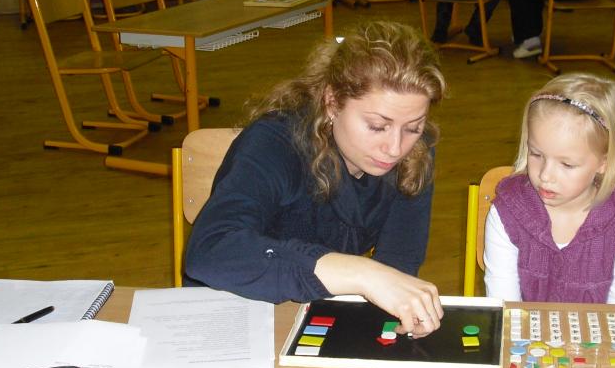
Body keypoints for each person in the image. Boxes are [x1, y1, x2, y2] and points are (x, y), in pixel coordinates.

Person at [183, 21, 446, 337]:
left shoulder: (415, 151)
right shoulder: (275, 142)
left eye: (414, 127)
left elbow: (399, 261)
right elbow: (210, 251)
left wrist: (395, 302)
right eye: (377, 126)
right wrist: (361, 273)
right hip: (233, 313)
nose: (395, 148)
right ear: (332, 102)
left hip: (311, 317)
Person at [483, 73, 615, 304]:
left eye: (567, 165)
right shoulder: (508, 212)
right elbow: (504, 305)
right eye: (536, 154)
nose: (545, 175)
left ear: (604, 163)